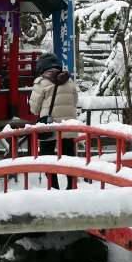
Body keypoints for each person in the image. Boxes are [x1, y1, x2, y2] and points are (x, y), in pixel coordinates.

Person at [29, 53, 79, 190]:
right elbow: (75, 101)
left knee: (47, 156)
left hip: (49, 126)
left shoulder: (41, 82)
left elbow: (34, 109)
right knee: (69, 157)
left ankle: (54, 187)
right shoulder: (69, 81)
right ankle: (71, 187)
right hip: (68, 125)